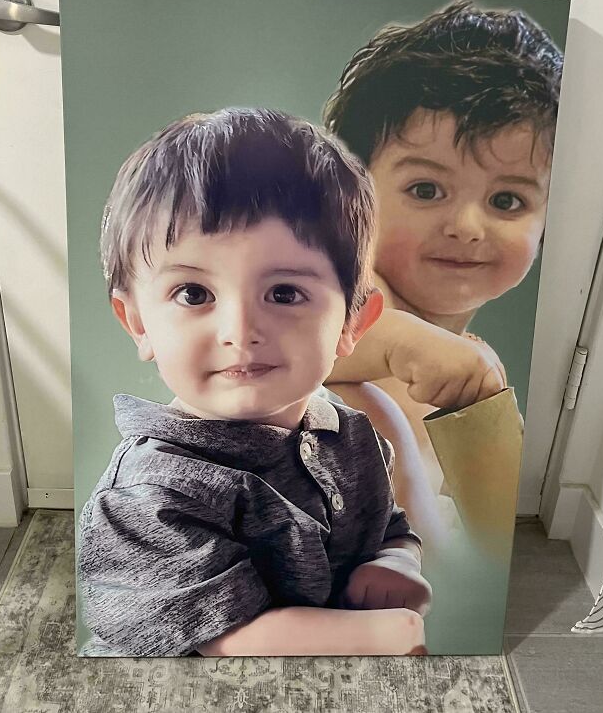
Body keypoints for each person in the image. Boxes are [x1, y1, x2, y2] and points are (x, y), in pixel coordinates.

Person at [78, 107, 432, 658]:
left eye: (284, 293)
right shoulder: (150, 494)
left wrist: (395, 563)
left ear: (352, 324)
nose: (240, 331)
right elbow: (225, 638)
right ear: (139, 324)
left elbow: (387, 525)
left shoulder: (354, 437)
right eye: (194, 294)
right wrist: (383, 633)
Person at [323, 0, 563, 541]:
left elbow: (491, 534)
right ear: (352, 191)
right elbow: (280, 334)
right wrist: (400, 341)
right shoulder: (346, 284)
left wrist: (489, 422)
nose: (468, 227)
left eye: (507, 201)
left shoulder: (471, 369)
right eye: (426, 190)